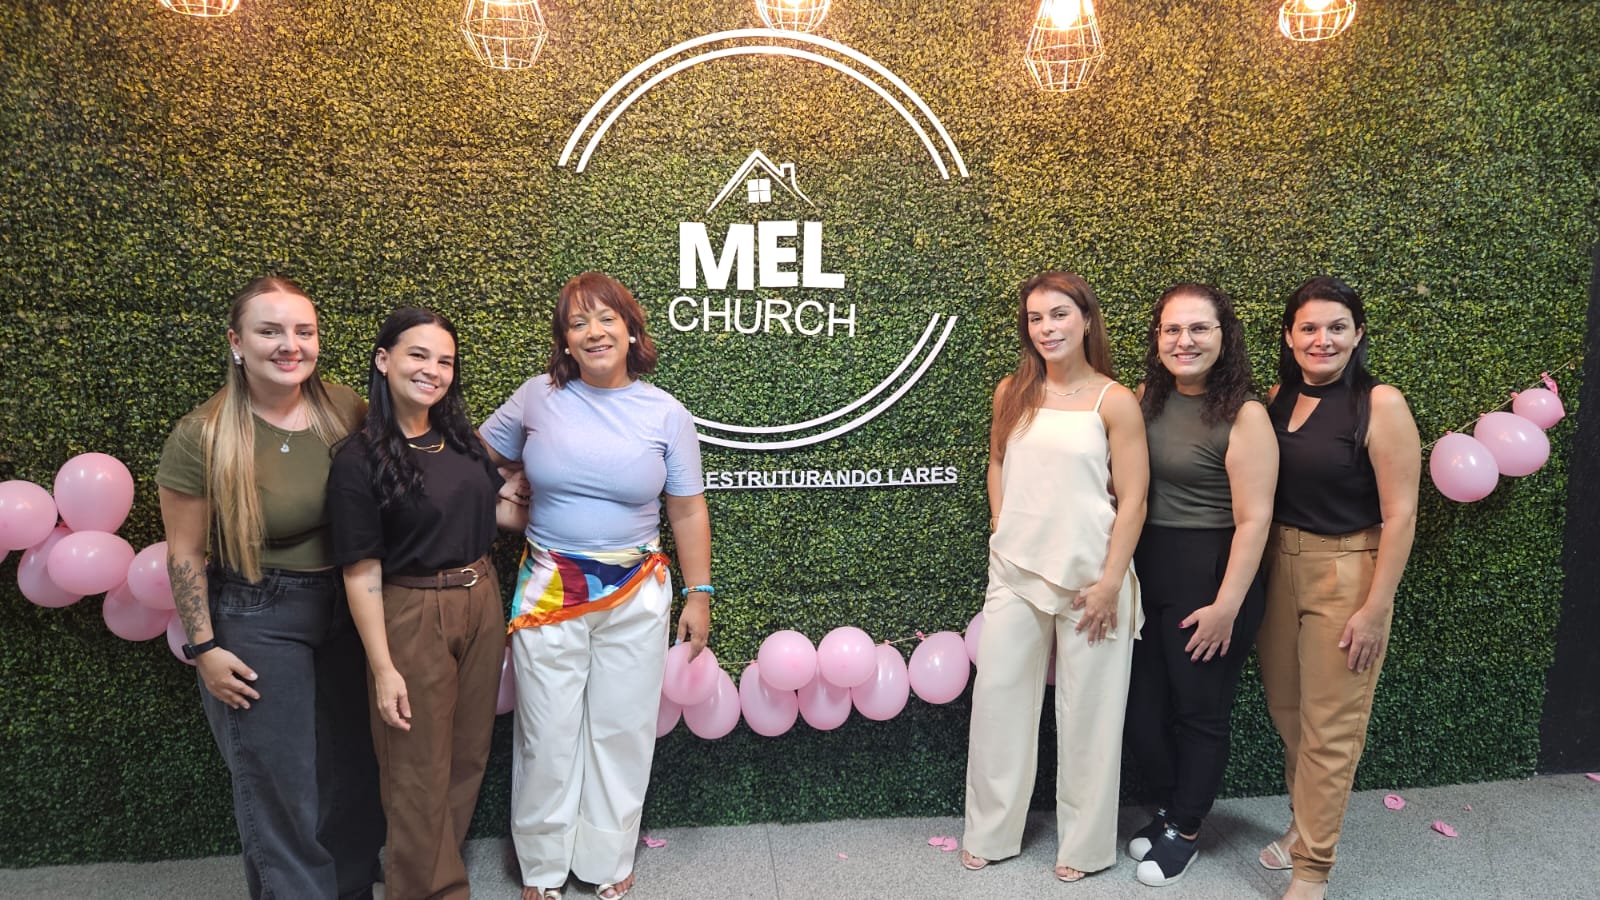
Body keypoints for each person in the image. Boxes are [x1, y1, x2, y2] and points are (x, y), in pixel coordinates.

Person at [480, 272, 712, 900]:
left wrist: (699, 594)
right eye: (578, 322)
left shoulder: (666, 413)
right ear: (565, 340)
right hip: (550, 587)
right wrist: (507, 499)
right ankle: (542, 867)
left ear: (630, 330)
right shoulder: (536, 398)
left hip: (636, 589)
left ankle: (607, 860)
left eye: (606, 318)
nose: (594, 331)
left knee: (622, 727)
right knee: (545, 730)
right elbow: (471, 462)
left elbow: (687, 508)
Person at [156, 276, 384, 900]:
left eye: (303, 331)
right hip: (259, 612)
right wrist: (205, 648)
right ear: (237, 342)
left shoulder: (346, 410)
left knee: (352, 772)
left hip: (349, 605)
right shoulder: (203, 434)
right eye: (270, 331)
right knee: (282, 786)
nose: (290, 345)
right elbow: (185, 553)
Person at [326, 307, 528, 900]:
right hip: (411, 610)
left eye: (444, 361)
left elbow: (492, 512)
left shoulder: (461, 441)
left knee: (467, 756)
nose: (432, 370)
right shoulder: (358, 458)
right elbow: (361, 571)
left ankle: (427, 880)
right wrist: (384, 667)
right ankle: (431, 891)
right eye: (418, 355)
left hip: (481, 598)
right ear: (383, 360)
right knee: (415, 770)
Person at [962, 270, 1149, 883]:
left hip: (1094, 580)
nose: (1047, 328)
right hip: (1016, 572)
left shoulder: (1114, 401)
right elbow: (996, 463)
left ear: (1086, 320)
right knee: (998, 705)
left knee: (1091, 716)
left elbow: (1135, 499)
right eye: (1036, 318)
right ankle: (990, 833)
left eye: (1060, 314)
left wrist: (1111, 582)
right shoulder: (1011, 392)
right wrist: (1001, 526)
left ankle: (1086, 848)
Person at [1257, 276, 1420, 900]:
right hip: (1278, 565)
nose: (1321, 339)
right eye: (1309, 327)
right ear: (1289, 336)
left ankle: (1312, 871)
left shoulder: (1380, 404)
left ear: (1357, 335)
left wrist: (1376, 608)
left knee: (1330, 727)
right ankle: (1302, 828)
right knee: (1289, 714)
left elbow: (1401, 514)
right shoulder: (1278, 398)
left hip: (1346, 572)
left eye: (1336, 327)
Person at [1121, 283, 1277, 886]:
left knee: (1199, 713)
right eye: (1172, 329)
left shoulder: (1245, 413)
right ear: (1158, 338)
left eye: (1199, 328)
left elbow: (1255, 519)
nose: (1183, 341)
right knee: (1144, 712)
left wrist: (1227, 607)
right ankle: (1169, 809)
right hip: (1148, 569)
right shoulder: (1146, 398)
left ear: (1223, 336)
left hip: (1211, 576)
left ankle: (1185, 830)